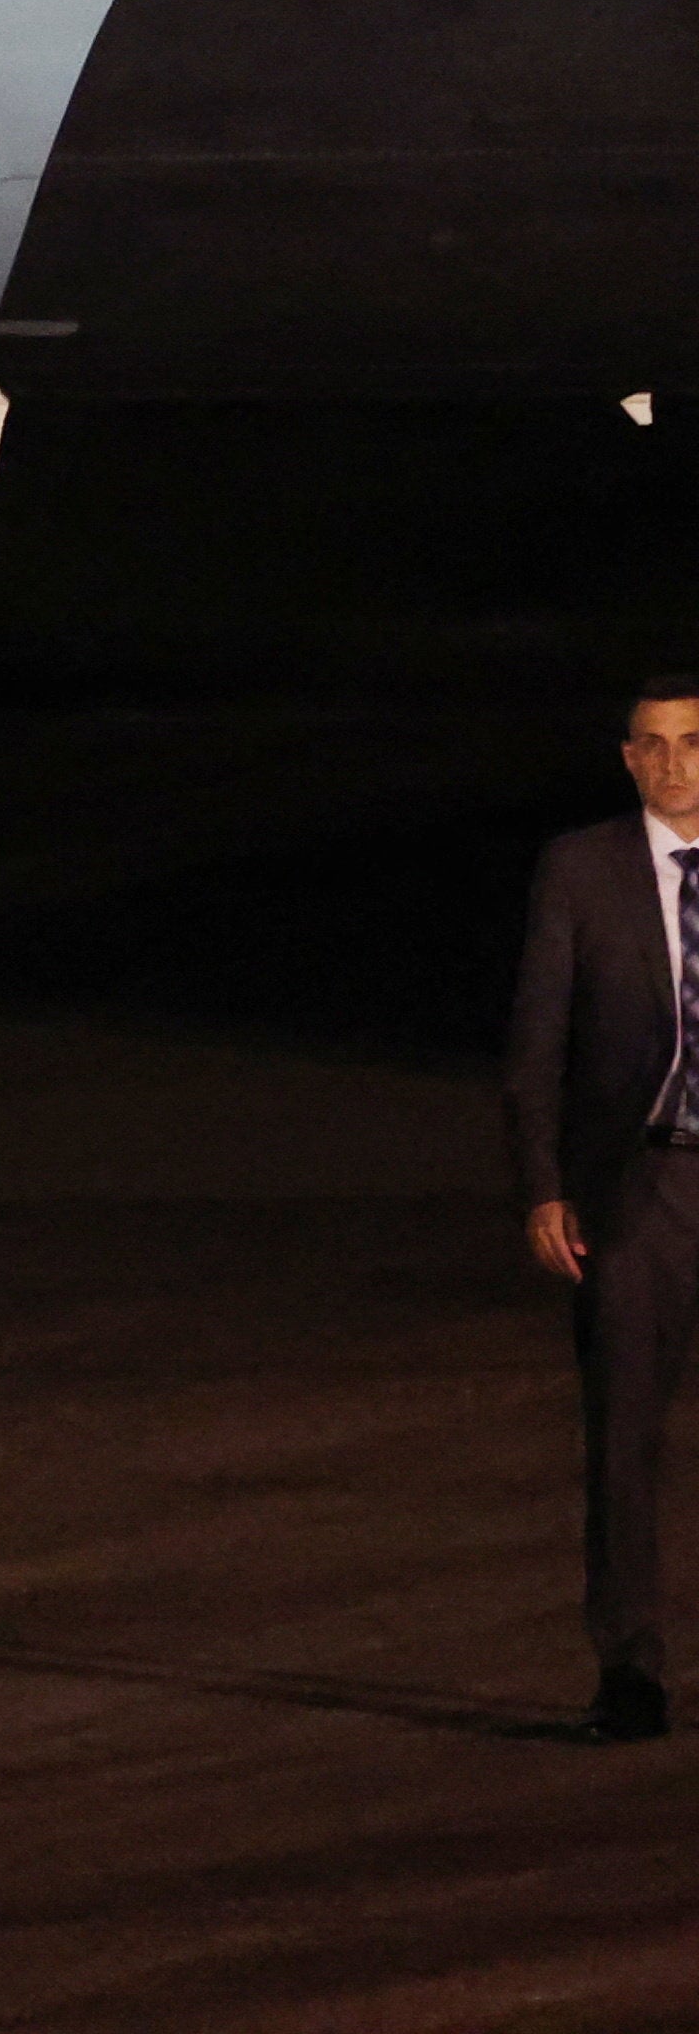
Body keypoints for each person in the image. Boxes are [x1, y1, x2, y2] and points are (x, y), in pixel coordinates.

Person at [505, 673, 699, 1740]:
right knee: (625, 1435)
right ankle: (629, 1667)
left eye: (692, 742)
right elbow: (538, 1038)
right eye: (652, 745)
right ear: (628, 757)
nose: (673, 763)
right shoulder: (583, 867)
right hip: (641, 1184)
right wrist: (546, 1184)